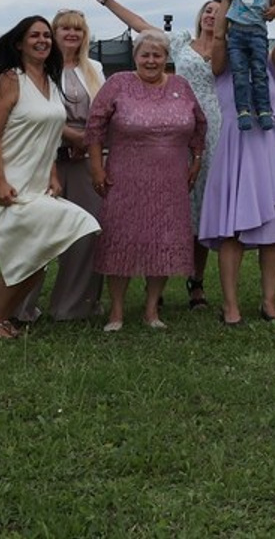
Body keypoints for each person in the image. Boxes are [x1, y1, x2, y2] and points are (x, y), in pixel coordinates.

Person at [88, 0, 226, 309]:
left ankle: (196, 282)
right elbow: (141, 27)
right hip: (171, 130)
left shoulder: (229, 49)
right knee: (166, 208)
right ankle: (157, 276)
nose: (211, 15)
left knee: (201, 211)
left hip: (216, 133)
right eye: (207, 10)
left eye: (219, 12)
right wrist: (108, 0)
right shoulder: (178, 43)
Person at [0, 18, 103, 339]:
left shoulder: (49, 79)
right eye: (35, 35)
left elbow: (49, 133)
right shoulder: (10, 79)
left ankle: (3, 319)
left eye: (47, 35)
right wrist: (1, 181)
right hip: (11, 176)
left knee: (39, 248)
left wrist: (53, 173)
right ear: (19, 43)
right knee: (30, 247)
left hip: (39, 178)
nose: (43, 40)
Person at [85, 29, 206, 330]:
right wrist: (97, 167)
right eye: (145, 55)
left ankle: (152, 310)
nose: (151, 61)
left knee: (162, 240)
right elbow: (95, 125)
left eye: (157, 55)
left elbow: (199, 126)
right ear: (135, 57)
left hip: (171, 178)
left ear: (167, 58)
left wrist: (197, 161)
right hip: (124, 176)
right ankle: (116, 312)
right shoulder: (118, 84)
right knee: (120, 238)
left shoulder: (181, 85)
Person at [198, 0, 275, 324]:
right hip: (236, 149)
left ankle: (269, 302)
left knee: (273, 232)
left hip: (270, 150)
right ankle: (230, 306)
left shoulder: (271, 67)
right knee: (232, 233)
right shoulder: (224, 66)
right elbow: (218, 36)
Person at [211, 0, 275, 131]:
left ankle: (264, 110)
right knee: (239, 72)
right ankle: (243, 111)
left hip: (257, 33)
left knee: (259, 71)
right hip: (236, 33)